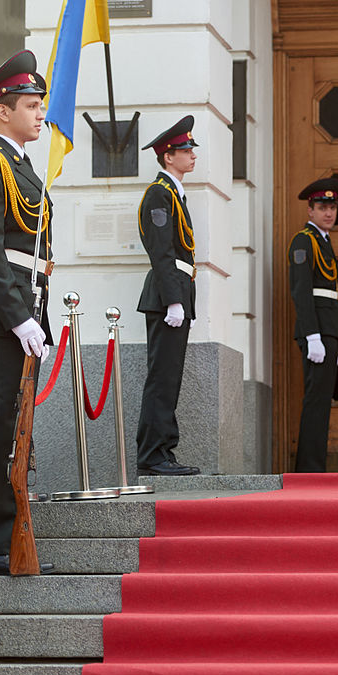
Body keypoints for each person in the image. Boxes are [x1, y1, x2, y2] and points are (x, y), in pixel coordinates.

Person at [0, 50, 54, 575]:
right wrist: (17, 317)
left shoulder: (22, 167)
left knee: (12, 427)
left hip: (24, 311)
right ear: (3, 111)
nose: (41, 114)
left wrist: (37, 316)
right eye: (31, 105)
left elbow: (32, 256)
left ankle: (2, 523)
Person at [136, 116, 200, 476]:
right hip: (166, 296)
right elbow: (161, 251)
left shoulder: (173, 192)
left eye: (191, 149)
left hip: (175, 292)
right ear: (167, 156)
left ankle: (162, 451)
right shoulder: (159, 194)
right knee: (162, 377)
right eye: (186, 150)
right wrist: (173, 300)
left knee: (169, 377)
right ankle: (153, 456)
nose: (192, 156)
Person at [288, 178, 338, 472]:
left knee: (322, 401)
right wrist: (313, 335)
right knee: (316, 401)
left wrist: (334, 338)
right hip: (317, 331)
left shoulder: (324, 241)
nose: (329, 213)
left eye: (332, 207)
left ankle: (314, 466)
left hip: (329, 331)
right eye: (322, 207)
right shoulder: (305, 240)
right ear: (310, 210)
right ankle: (309, 469)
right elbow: (301, 291)